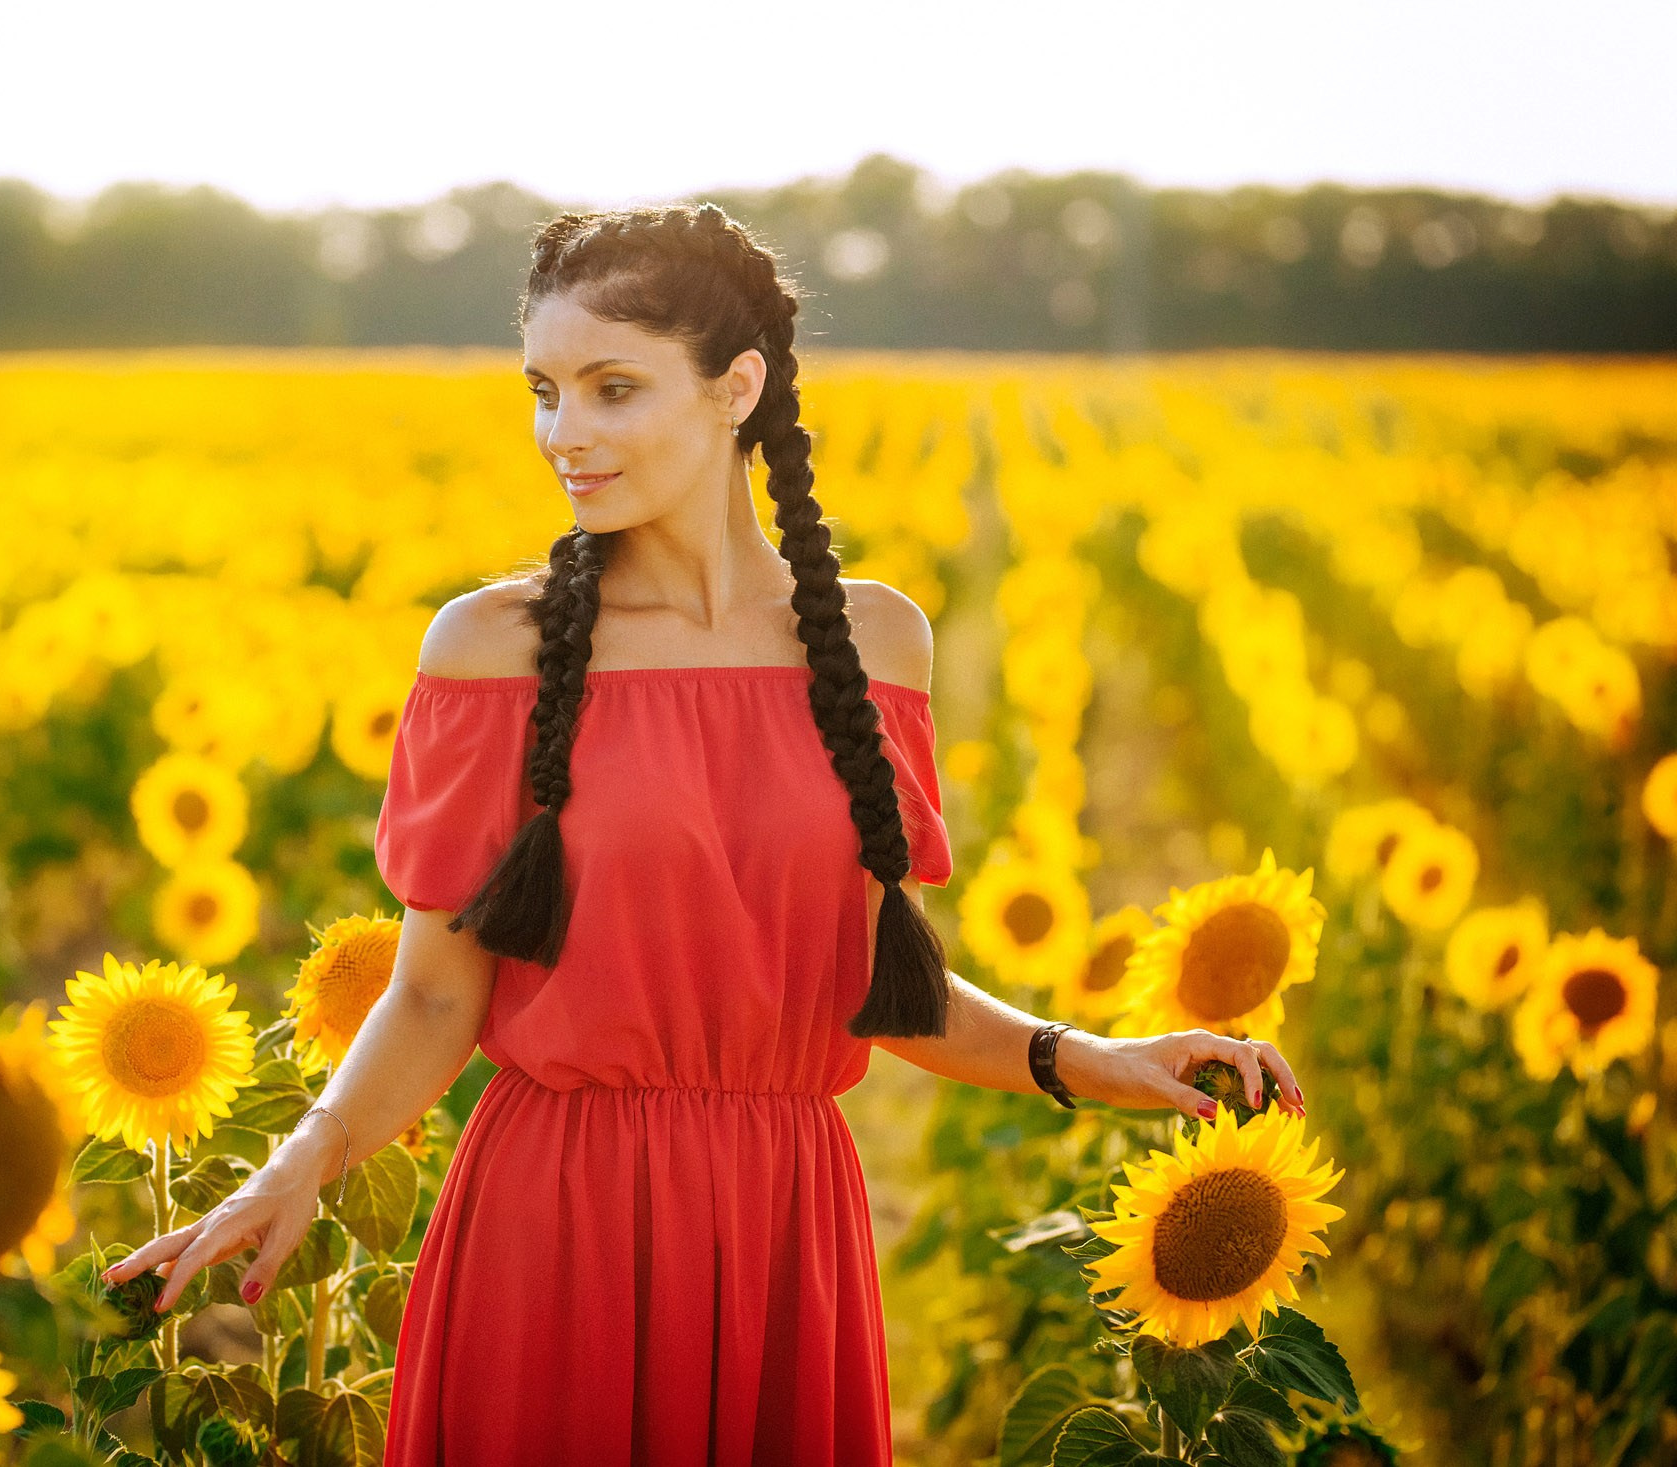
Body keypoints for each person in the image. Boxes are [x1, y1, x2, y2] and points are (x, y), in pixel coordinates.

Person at [100, 203, 1308, 1465]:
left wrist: (1093, 1059)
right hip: (554, 1223)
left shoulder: (876, 642)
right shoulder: (489, 648)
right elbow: (432, 998)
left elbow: (874, 987)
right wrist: (300, 1161)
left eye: (611, 388)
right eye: (545, 391)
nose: (565, 433)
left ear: (737, 389)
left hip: (788, 1224)